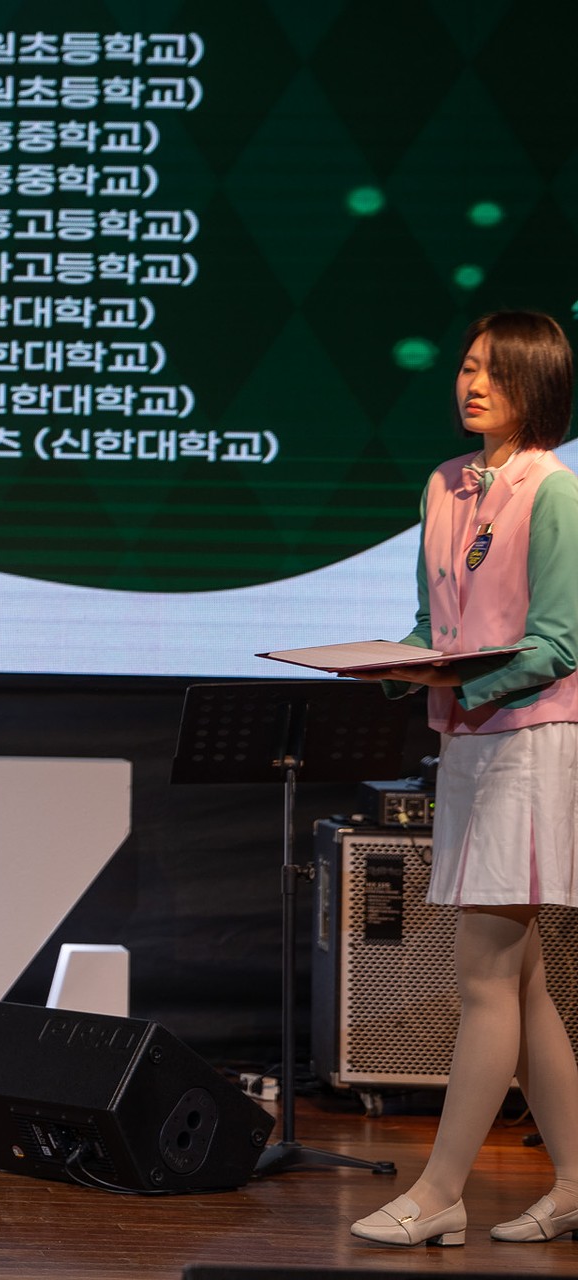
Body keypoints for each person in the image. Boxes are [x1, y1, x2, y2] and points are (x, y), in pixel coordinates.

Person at [350, 311, 578, 1247]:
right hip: (469, 742)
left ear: (539, 386)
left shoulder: (553, 492)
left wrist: (460, 685)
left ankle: (441, 1190)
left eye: (496, 372)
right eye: (469, 367)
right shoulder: (444, 484)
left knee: (484, 974)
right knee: (522, 984)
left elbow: (559, 642)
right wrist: (384, 666)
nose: (473, 384)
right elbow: (429, 625)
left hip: (532, 743)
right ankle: (575, 1186)